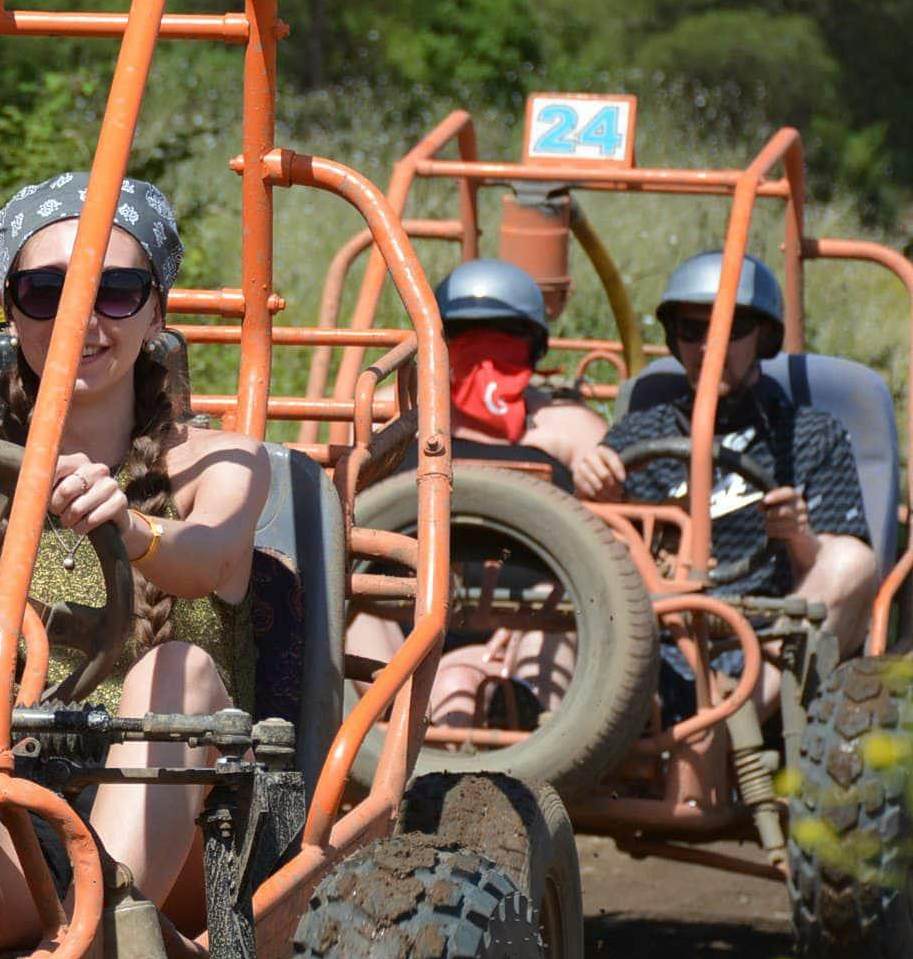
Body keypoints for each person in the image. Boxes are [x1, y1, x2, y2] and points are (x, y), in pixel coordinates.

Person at [0, 174, 270, 923]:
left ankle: (105, 936)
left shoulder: (221, 462)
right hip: (2, 814)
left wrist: (132, 532)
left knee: (180, 667)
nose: (81, 320)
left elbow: (207, 557)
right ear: (12, 312)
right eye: (46, 292)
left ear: (156, 309)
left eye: (115, 292)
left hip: (193, 835)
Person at [574, 250, 877, 717]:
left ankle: (734, 719)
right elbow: (599, 550)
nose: (709, 349)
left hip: (767, 639)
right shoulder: (637, 434)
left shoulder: (810, 434)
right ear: (675, 340)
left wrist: (798, 536)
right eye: (692, 331)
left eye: (730, 331)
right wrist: (596, 491)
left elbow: (840, 575)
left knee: (852, 561)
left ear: (763, 338)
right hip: (655, 637)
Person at [350, 260, 609, 726]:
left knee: (569, 610)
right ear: (440, 344)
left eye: (505, 333)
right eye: (467, 335)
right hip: (407, 614)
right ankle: (387, 732)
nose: (485, 354)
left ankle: (529, 724)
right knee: (355, 610)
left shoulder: (566, 427)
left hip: (533, 617)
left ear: (531, 345)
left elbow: (614, 521)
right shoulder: (404, 426)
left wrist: (601, 480)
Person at [435, 258, 606, 472]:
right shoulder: (397, 416)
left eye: (506, 330)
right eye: (462, 329)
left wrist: (591, 484)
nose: (484, 348)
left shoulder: (574, 428)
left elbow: (610, 492)